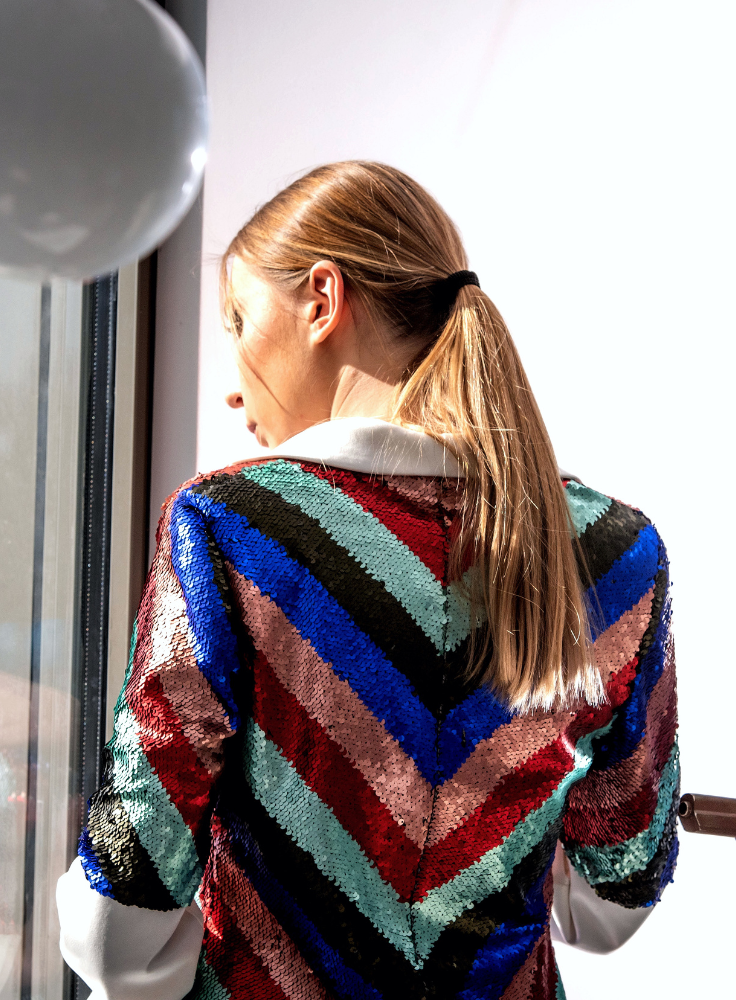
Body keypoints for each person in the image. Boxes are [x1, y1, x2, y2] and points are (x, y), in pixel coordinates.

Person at [56, 161, 679, 999]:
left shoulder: (231, 529)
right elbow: (619, 891)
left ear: (322, 299)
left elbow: (121, 914)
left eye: (240, 320)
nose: (235, 386)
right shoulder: (613, 550)